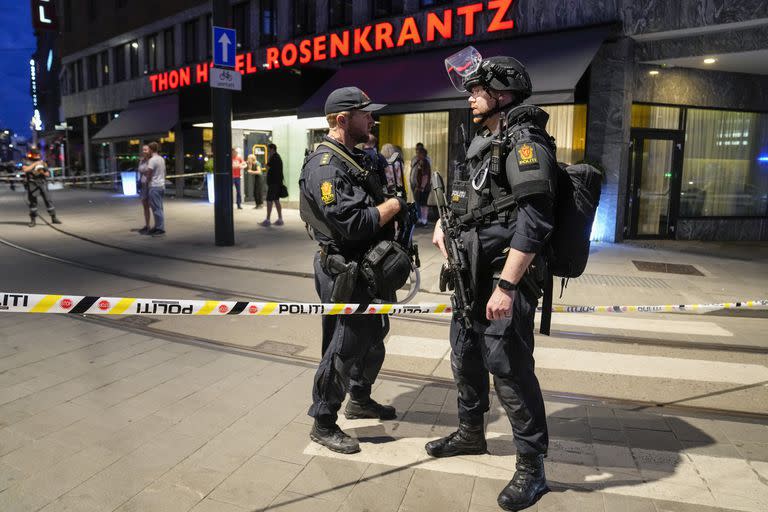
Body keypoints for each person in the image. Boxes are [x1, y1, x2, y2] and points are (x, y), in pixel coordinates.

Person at [427, 53, 557, 512]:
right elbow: (478, 200)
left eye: (477, 89)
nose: (469, 96)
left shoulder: (525, 143)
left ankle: (531, 468)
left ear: (502, 94)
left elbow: (536, 219)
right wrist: (450, 225)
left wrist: (506, 286)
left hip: (504, 277)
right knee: (464, 355)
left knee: (509, 369)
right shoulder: (487, 140)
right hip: (472, 275)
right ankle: (470, 434)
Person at [299, 86, 407, 454]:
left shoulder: (353, 158)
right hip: (345, 271)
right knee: (344, 345)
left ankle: (359, 397)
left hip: (369, 268)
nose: (372, 118)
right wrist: (394, 205)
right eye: (365, 114)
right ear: (343, 120)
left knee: (374, 334)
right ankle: (323, 420)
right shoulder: (326, 167)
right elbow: (354, 223)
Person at [21, 148, 61, 227]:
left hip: (42, 184)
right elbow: (25, 170)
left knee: (48, 200)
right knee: (33, 203)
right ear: (32, 154)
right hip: (32, 184)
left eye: (39, 155)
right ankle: (33, 220)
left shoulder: (42, 163)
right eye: (36, 154)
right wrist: (35, 164)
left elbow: (47, 174)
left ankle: (54, 218)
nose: (38, 156)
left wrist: (42, 171)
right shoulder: (27, 162)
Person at [261, 143, 285, 226]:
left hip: (273, 183)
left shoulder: (273, 157)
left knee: (269, 200)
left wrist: (266, 162)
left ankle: (267, 220)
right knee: (276, 200)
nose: (268, 151)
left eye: (268, 150)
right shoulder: (278, 157)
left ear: (272, 149)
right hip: (277, 183)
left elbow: (267, 167)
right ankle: (280, 219)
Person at [145, 141, 166, 236]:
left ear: (151, 149)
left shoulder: (152, 160)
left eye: (148, 149)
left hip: (154, 186)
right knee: (159, 207)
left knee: (156, 208)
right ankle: (157, 226)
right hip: (161, 186)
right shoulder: (161, 159)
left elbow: (149, 174)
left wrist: (146, 182)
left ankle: (160, 229)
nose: (147, 151)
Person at [410, 146, 432, 225]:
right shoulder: (419, 161)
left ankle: (424, 220)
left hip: (423, 188)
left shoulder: (424, 162)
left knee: (423, 204)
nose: (417, 155)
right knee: (419, 203)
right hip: (419, 187)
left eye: (418, 153)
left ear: (423, 154)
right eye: (417, 153)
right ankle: (421, 219)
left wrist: (422, 187)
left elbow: (425, 176)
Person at [136, 144, 152, 234]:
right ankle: (147, 225)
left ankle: (158, 226)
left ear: (149, 150)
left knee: (152, 206)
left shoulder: (151, 161)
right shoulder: (141, 161)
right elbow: (140, 172)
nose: (144, 151)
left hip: (150, 185)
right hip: (143, 185)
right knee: (145, 206)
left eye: (146, 150)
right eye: (143, 150)